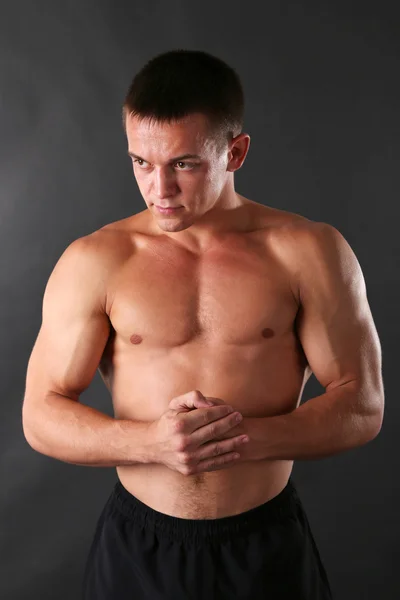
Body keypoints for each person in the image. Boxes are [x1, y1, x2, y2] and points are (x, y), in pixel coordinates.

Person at [22, 49, 384, 599]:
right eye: (141, 162)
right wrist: (153, 444)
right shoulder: (95, 260)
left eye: (183, 164)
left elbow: (363, 406)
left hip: (264, 543)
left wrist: (240, 438)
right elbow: (40, 415)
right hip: (139, 546)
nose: (158, 189)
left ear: (234, 152)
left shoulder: (307, 251)